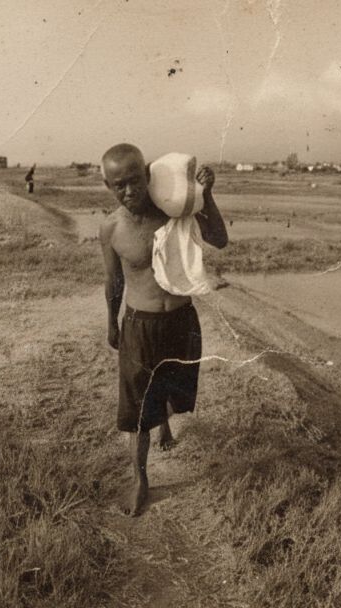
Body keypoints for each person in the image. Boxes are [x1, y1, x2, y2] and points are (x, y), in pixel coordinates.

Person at [98, 143, 227, 516]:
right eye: (118, 185)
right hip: (141, 324)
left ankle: (166, 427)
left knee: (171, 385)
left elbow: (219, 239)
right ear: (107, 185)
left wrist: (209, 195)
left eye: (135, 181)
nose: (129, 191)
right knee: (138, 408)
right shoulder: (111, 228)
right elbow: (113, 282)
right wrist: (111, 322)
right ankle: (141, 479)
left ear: (148, 175)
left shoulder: (173, 208)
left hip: (181, 319)